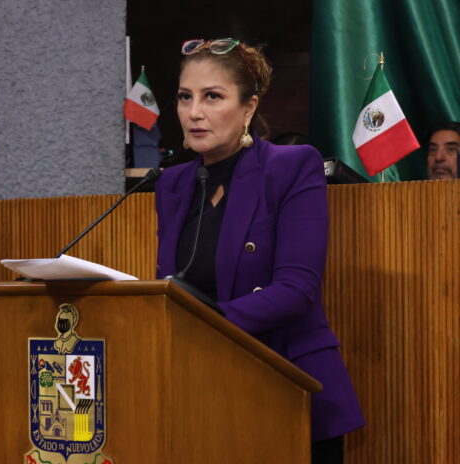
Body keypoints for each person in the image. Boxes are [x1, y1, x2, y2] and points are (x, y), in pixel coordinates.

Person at [154, 38, 365, 464]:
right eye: (184, 97)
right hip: (202, 396)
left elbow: (296, 289)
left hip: (286, 388)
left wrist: (208, 324)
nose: (194, 112)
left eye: (213, 96)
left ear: (249, 108)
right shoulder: (172, 184)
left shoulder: (290, 166)